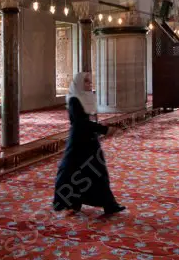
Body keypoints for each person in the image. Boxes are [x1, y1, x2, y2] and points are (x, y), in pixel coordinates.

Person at [52, 72, 126, 216]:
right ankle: (64, 204)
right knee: (69, 172)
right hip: (78, 142)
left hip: (90, 140)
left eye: (90, 82)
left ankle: (109, 204)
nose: (89, 84)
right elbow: (80, 123)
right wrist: (104, 129)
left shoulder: (86, 98)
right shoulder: (74, 100)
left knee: (97, 171)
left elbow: (88, 121)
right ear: (79, 83)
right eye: (86, 82)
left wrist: (100, 128)